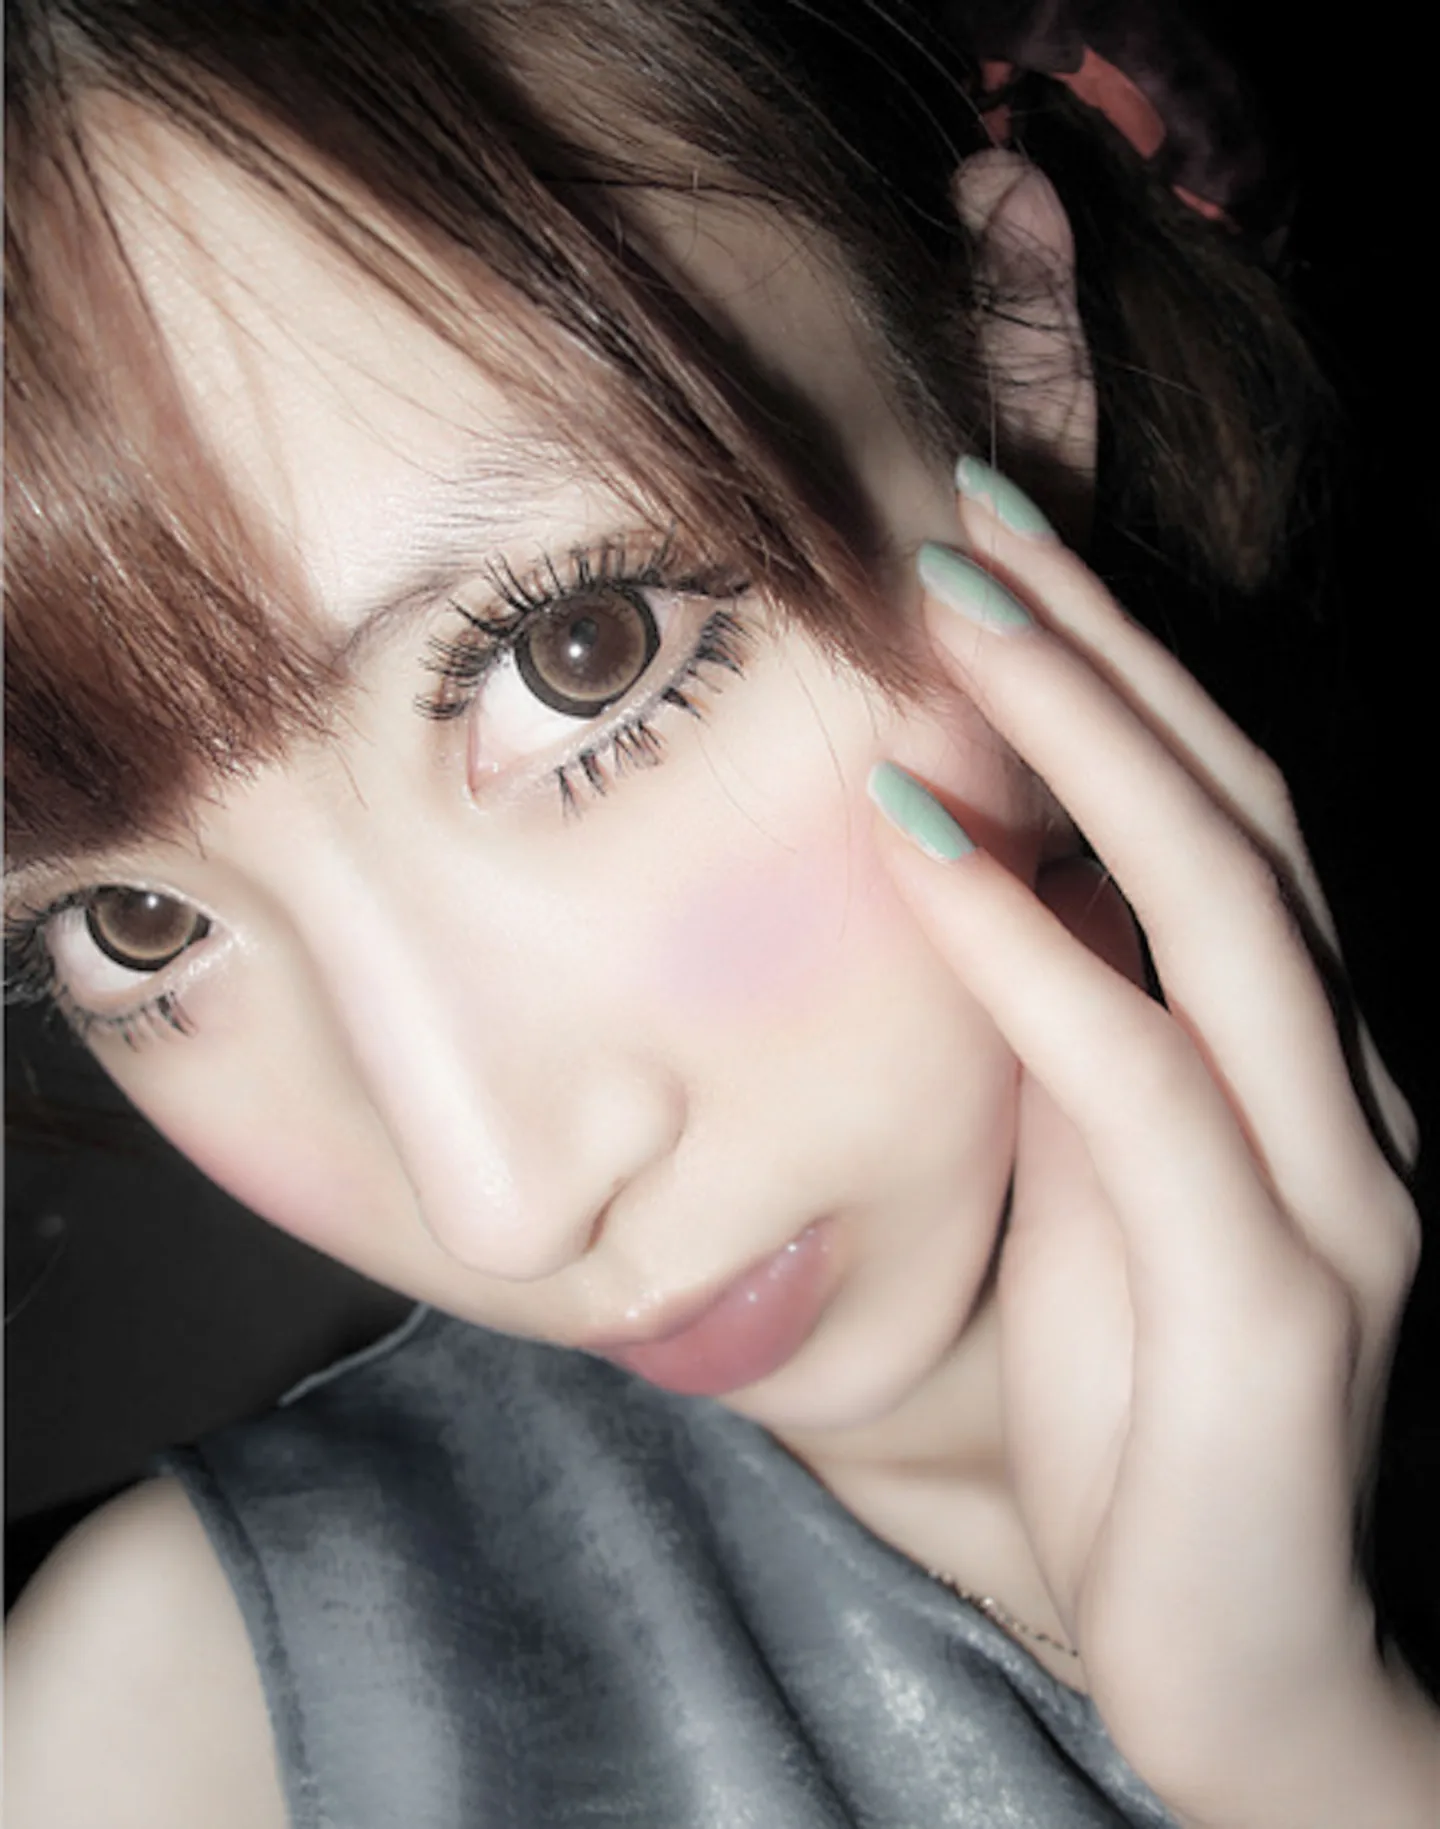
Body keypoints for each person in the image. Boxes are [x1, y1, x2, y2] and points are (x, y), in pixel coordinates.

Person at [4, 1, 1437, 1823]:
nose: (503, 1201)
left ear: (1009, 355)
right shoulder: (170, 1738)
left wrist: (1315, 1753)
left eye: (573, 654)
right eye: (133, 922)